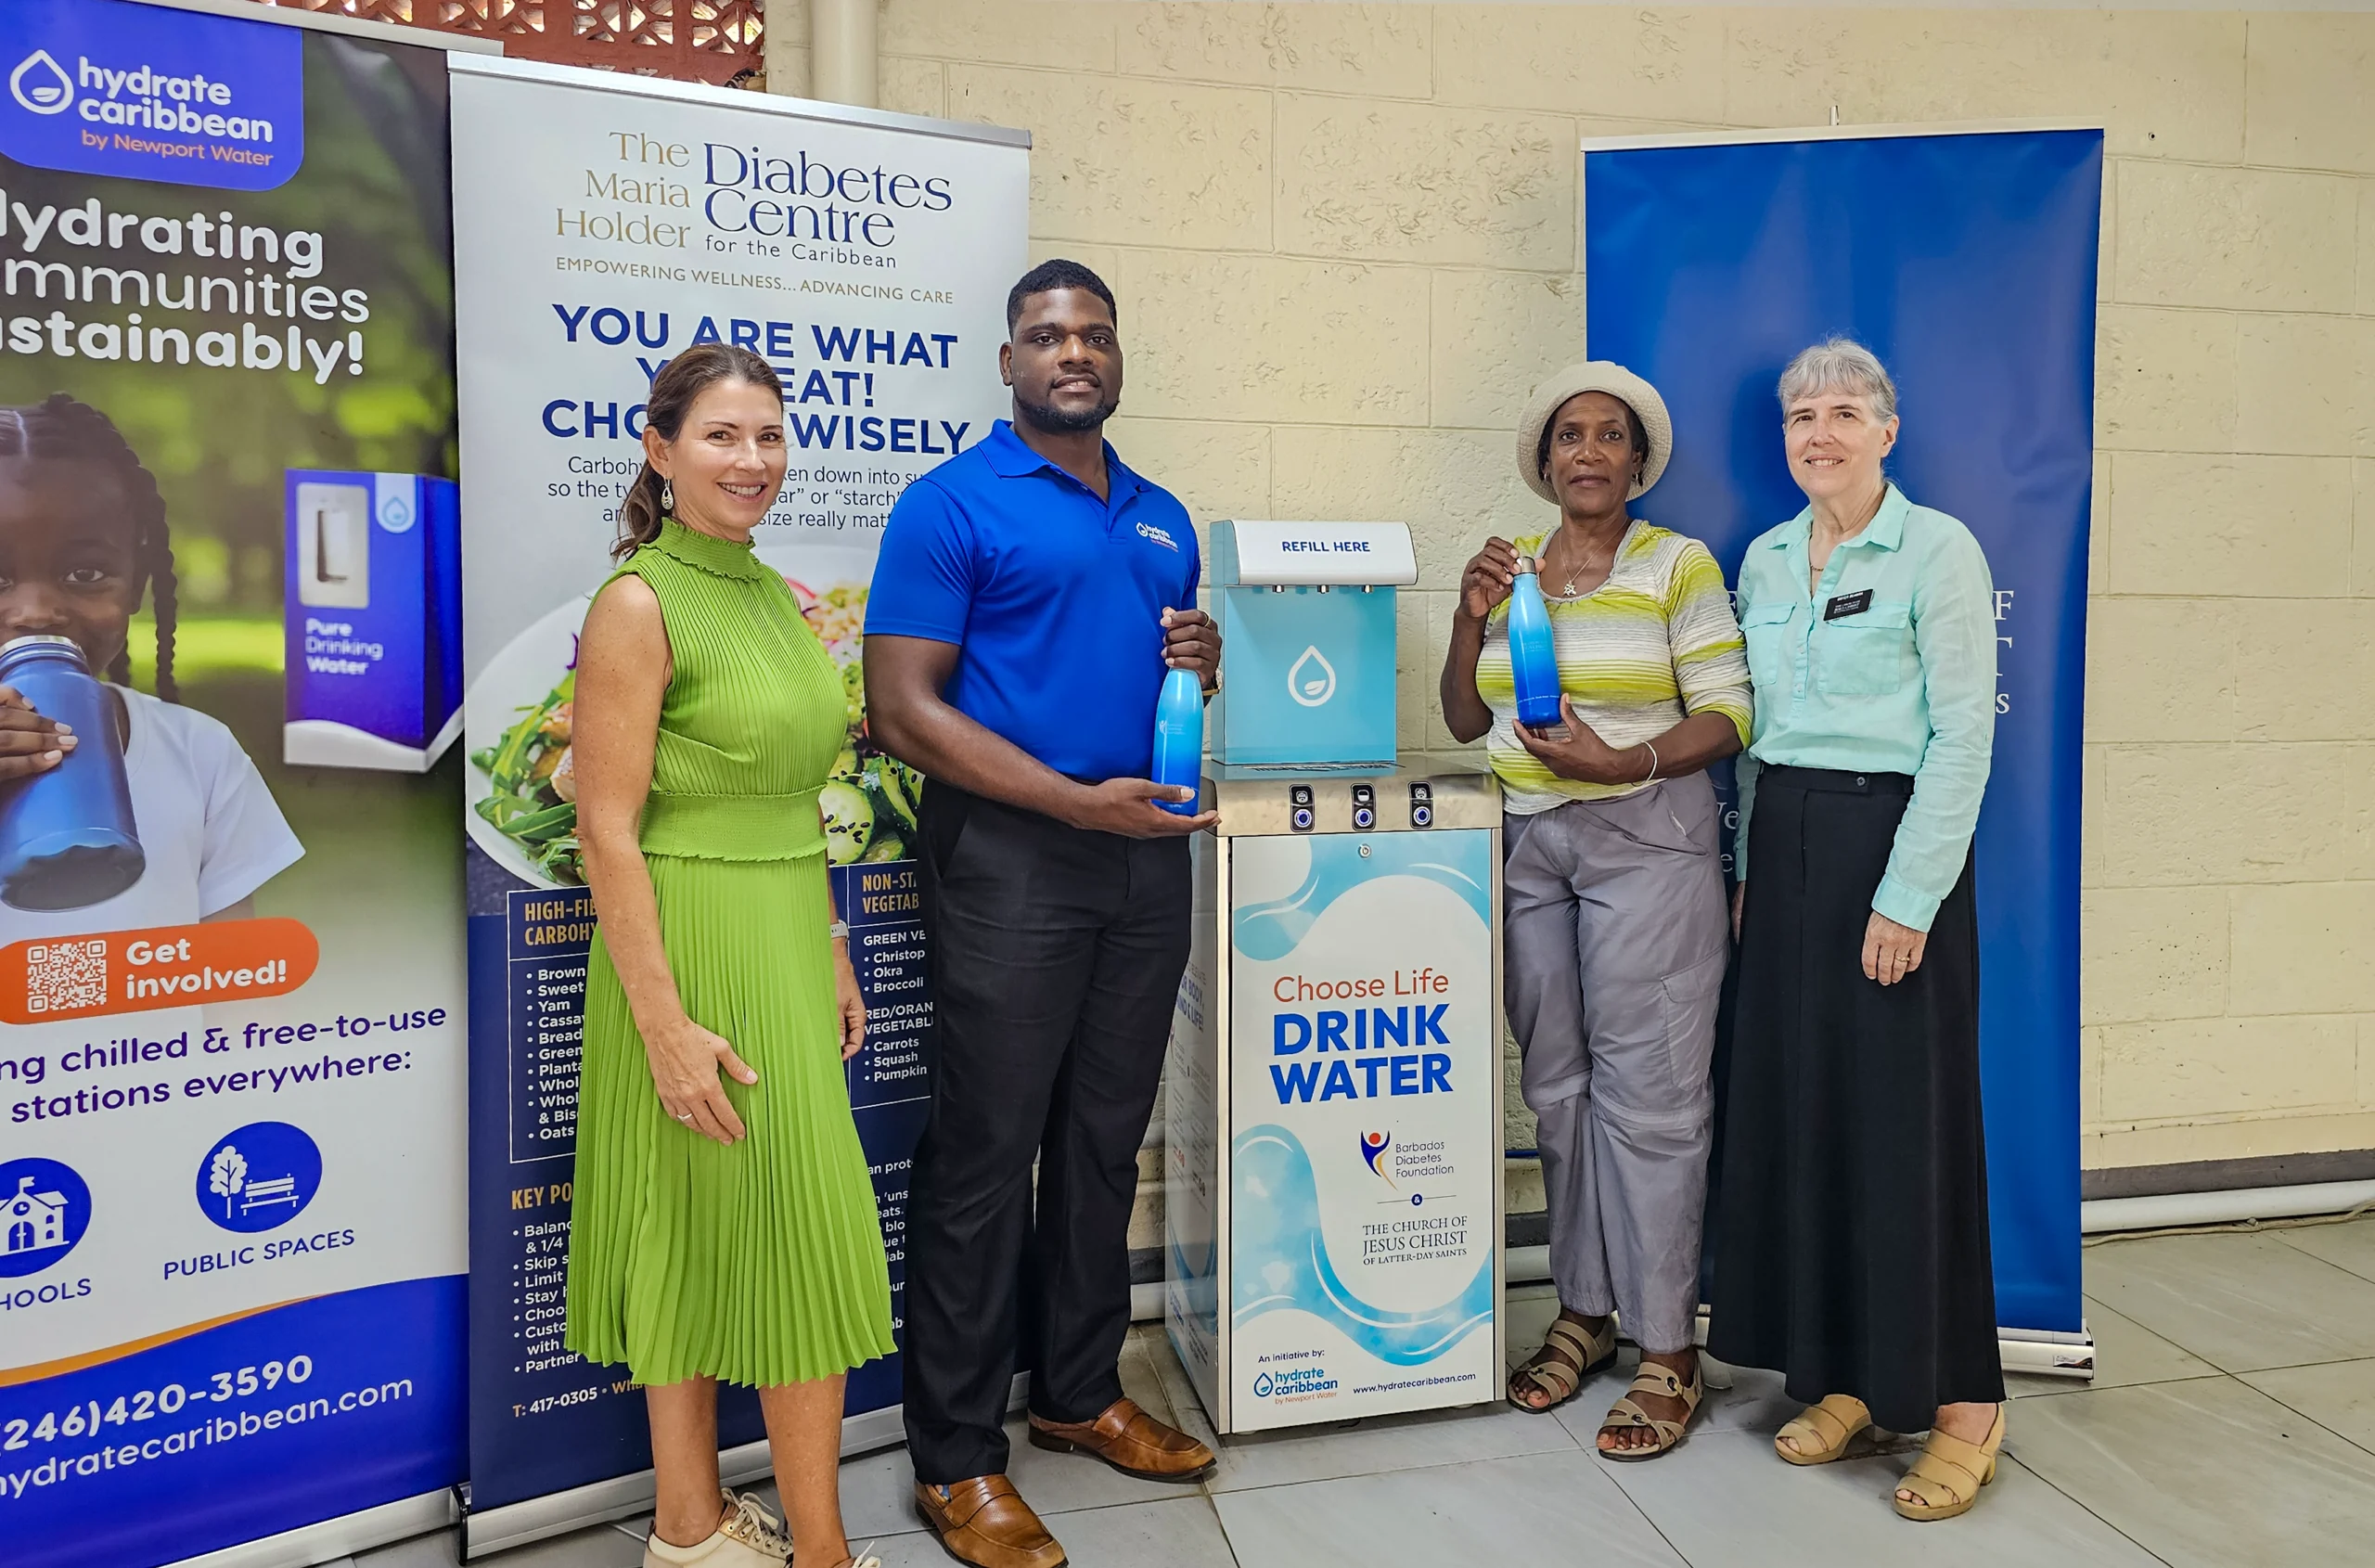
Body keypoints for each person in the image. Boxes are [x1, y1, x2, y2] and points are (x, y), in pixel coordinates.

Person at [867, 259, 1220, 1568]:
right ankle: (958, 1459)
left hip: (1145, 857)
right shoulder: (950, 503)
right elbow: (905, 711)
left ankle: (1077, 1391)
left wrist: (1203, 667)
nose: (1072, 353)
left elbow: (1141, 663)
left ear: (1118, 356)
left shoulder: (1164, 515)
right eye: (1045, 336)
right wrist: (1079, 809)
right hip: (1016, 857)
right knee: (982, 1154)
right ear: (1009, 362)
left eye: (1093, 334)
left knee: (1100, 1142)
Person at [565, 343, 894, 1568]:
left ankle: (701, 1531)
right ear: (659, 449)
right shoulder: (638, 601)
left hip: (780, 934)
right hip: (685, 947)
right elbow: (607, 831)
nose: (752, 460)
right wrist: (663, 1024)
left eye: (767, 435)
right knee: (716, 1230)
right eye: (721, 435)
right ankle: (801, 1550)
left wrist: (830, 943)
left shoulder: (772, 593)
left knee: (753, 1230)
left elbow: (792, 797)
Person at [1709, 338, 2005, 1522]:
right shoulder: (1767, 557)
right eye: (1798, 417)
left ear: (1887, 429)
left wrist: (1905, 895)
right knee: (1805, 1119)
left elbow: (1962, 741)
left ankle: (1964, 1405)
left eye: (1842, 412)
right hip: (1780, 852)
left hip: (1887, 857)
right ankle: (1842, 1378)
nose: (1817, 433)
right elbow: (1752, 739)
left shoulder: (1938, 549)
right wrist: (1742, 874)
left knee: (1905, 1130)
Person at [1441, 362, 1750, 1460]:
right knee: (1558, 1090)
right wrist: (1465, 614)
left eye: (1608, 436)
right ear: (1543, 459)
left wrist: (1625, 760)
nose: (1586, 451)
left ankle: (1669, 1351)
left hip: (1647, 839)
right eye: (1568, 435)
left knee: (1652, 1098)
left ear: (1635, 459)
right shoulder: (1513, 566)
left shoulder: (1675, 564)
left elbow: (1728, 712)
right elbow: (1462, 713)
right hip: (1531, 847)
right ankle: (1584, 1309)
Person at [0, 392, 302, 938]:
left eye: (85, 573)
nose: (37, 611)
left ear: (136, 585)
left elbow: (239, 984)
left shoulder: (198, 752)